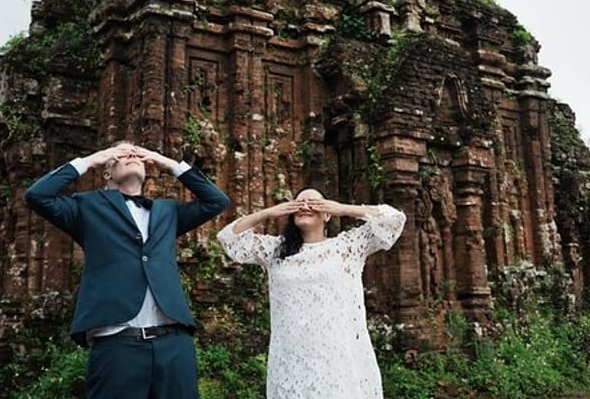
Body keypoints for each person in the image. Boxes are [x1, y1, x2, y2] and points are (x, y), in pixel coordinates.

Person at [25, 142, 231, 399]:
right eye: (122, 154)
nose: (132, 156)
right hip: (117, 344)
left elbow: (217, 201)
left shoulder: (167, 210)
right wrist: (92, 158)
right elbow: (37, 195)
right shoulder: (86, 207)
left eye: (137, 155)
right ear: (107, 172)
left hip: (174, 344)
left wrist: (166, 162)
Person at [217, 188, 406, 399]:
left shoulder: (347, 246)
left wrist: (342, 209)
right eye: (299, 203)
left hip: (339, 356)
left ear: (327, 214)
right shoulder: (275, 251)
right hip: (292, 358)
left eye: (314, 203)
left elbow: (394, 220)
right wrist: (268, 213)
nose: (305, 206)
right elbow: (228, 238)